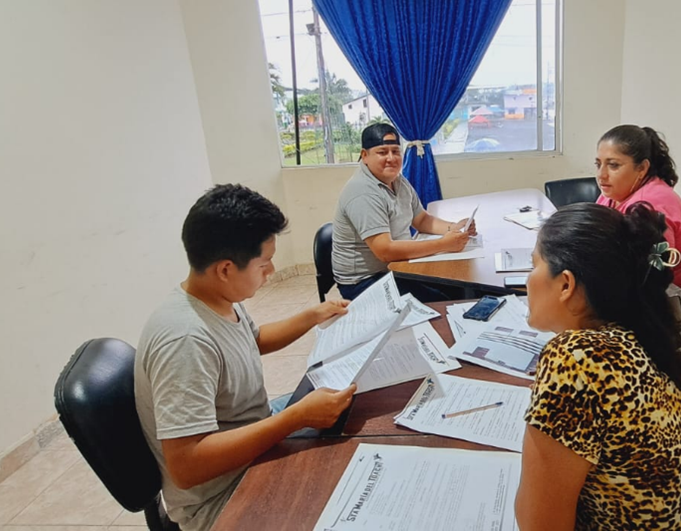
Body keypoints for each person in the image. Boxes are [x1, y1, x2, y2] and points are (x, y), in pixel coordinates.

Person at [134, 184, 357, 531]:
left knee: (351, 425)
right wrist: (294, 418)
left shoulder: (218, 299)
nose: (271, 271)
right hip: (221, 498)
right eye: (264, 263)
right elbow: (186, 465)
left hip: (255, 439)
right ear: (225, 269)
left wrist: (314, 315)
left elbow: (253, 340)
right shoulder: (184, 339)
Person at [515, 203, 681, 531]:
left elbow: (539, 526)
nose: (526, 280)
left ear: (566, 284)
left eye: (534, 264)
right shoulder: (641, 334)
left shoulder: (576, 359)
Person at [331, 122, 476, 301]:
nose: (391, 158)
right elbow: (385, 251)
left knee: (459, 286)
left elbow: (421, 220)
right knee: (443, 301)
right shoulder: (362, 192)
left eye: (395, 151)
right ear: (365, 155)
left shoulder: (398, 180)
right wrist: (444, 244)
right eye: (382, 152)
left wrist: (453, 228)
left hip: (398, 266)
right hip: (364, 281)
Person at [594, 125, 681, 295]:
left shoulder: (650, 208)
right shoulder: (612, 194)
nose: (601, 175)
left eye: (613, 165)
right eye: (598, 164)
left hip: (671, 299)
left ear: (642, 168)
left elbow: (650, 280)